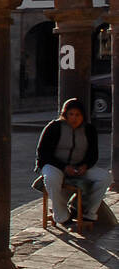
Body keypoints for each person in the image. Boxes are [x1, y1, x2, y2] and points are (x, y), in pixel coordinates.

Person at [36, 97, 110, 226]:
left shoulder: (89, 130)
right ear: (65, 114)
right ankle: (61, 215)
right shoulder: (54, 127)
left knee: (105, 177)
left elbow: (93, 154)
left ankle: (87, 212)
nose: (74, 118)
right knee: (51, 178)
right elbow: (43, 154)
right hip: (54, 165)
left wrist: (85, 166)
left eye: (77, 115)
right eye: (71, 114)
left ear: (83, 116)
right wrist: (64, 167)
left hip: (79, 166)